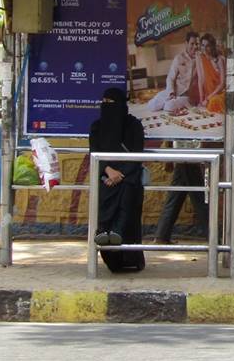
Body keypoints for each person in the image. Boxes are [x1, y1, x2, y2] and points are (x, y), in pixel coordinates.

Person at [88, 86, 146, 273]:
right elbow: (94, 152)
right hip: (105, 177)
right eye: (104, 102)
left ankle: (120, 240)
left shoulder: (133, 125)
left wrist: (119, 175)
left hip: (128, 178)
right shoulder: (96, 127)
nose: (106, 106)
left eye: (110, 103)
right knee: (105, 210)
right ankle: (108, 244)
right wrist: (108, 170)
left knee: (128, 199)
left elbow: (137, 154)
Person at [153, 141, 210, 245]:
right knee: (200, 198)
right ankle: (212, 235)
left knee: (176, 197)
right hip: (188, 156)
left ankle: (162, 235)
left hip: (185, 155)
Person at [148, 32, 199, 114]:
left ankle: (173, 103)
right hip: (175, 91)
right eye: (192, 44)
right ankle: (168, 100)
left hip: (186, 95)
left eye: (197, 44)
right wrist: (171, 93)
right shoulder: (179, 58)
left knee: (169, 107)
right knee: (152, 106)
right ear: (186, 43)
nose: (195, 47)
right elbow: (170, 77)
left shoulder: (199, 59)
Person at [194, 32, 226, 113]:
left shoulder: (219, 60)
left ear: (212, 46)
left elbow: (222, 84)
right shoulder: (199, 58)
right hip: (208, 93)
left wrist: (208, 98)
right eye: (203, 45)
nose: (204, 48)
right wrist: (202, 99)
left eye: (207, 46)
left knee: (213, 102)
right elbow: (200, 79)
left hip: (220, 93)